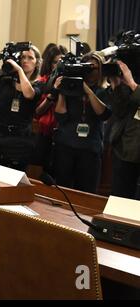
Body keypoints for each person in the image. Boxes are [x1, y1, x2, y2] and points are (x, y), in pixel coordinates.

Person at [52, 52, 111, 193]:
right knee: (62, 191)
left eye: (94, 68)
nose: (91, 72)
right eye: (88, 67)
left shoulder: (103, 92)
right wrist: (62, 91)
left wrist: (87, 90)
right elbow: (60, 116)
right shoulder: (71, 88)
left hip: (89, 150)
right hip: (66, 146)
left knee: (86, 193)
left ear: (101, 70)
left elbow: (103, 114)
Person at [0, 45, 42, 171]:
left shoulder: (38, 84)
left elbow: (28, 94)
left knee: (14, 180)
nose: (25, 60)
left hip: (21, 139)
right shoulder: (4, 78)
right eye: (22, 57)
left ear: (37, 63)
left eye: (30, 58)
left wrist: (19, 70)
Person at [32, 45, 67, 175]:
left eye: (62, 62)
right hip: (44, 133)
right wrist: (54, 92)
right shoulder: (42, 82)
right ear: (50, 63)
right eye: (55, 62)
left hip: (63, 135)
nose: (58, 65)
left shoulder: (72, 83)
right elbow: (37, 111)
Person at [109, 61, 140, 200]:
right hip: (126, 148)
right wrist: (116, 85)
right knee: (119, 200)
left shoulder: (132, 81)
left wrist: (132, 84)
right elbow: (119, 111)